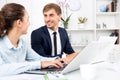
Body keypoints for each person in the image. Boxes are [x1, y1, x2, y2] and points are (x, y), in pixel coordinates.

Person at [0, 3, 64, 76]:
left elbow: (38, 59)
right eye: (27, 19)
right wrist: (39, 64)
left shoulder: (22, 44)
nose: (29, 23)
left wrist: (57, 60)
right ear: (19, 23)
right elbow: (2, 69)